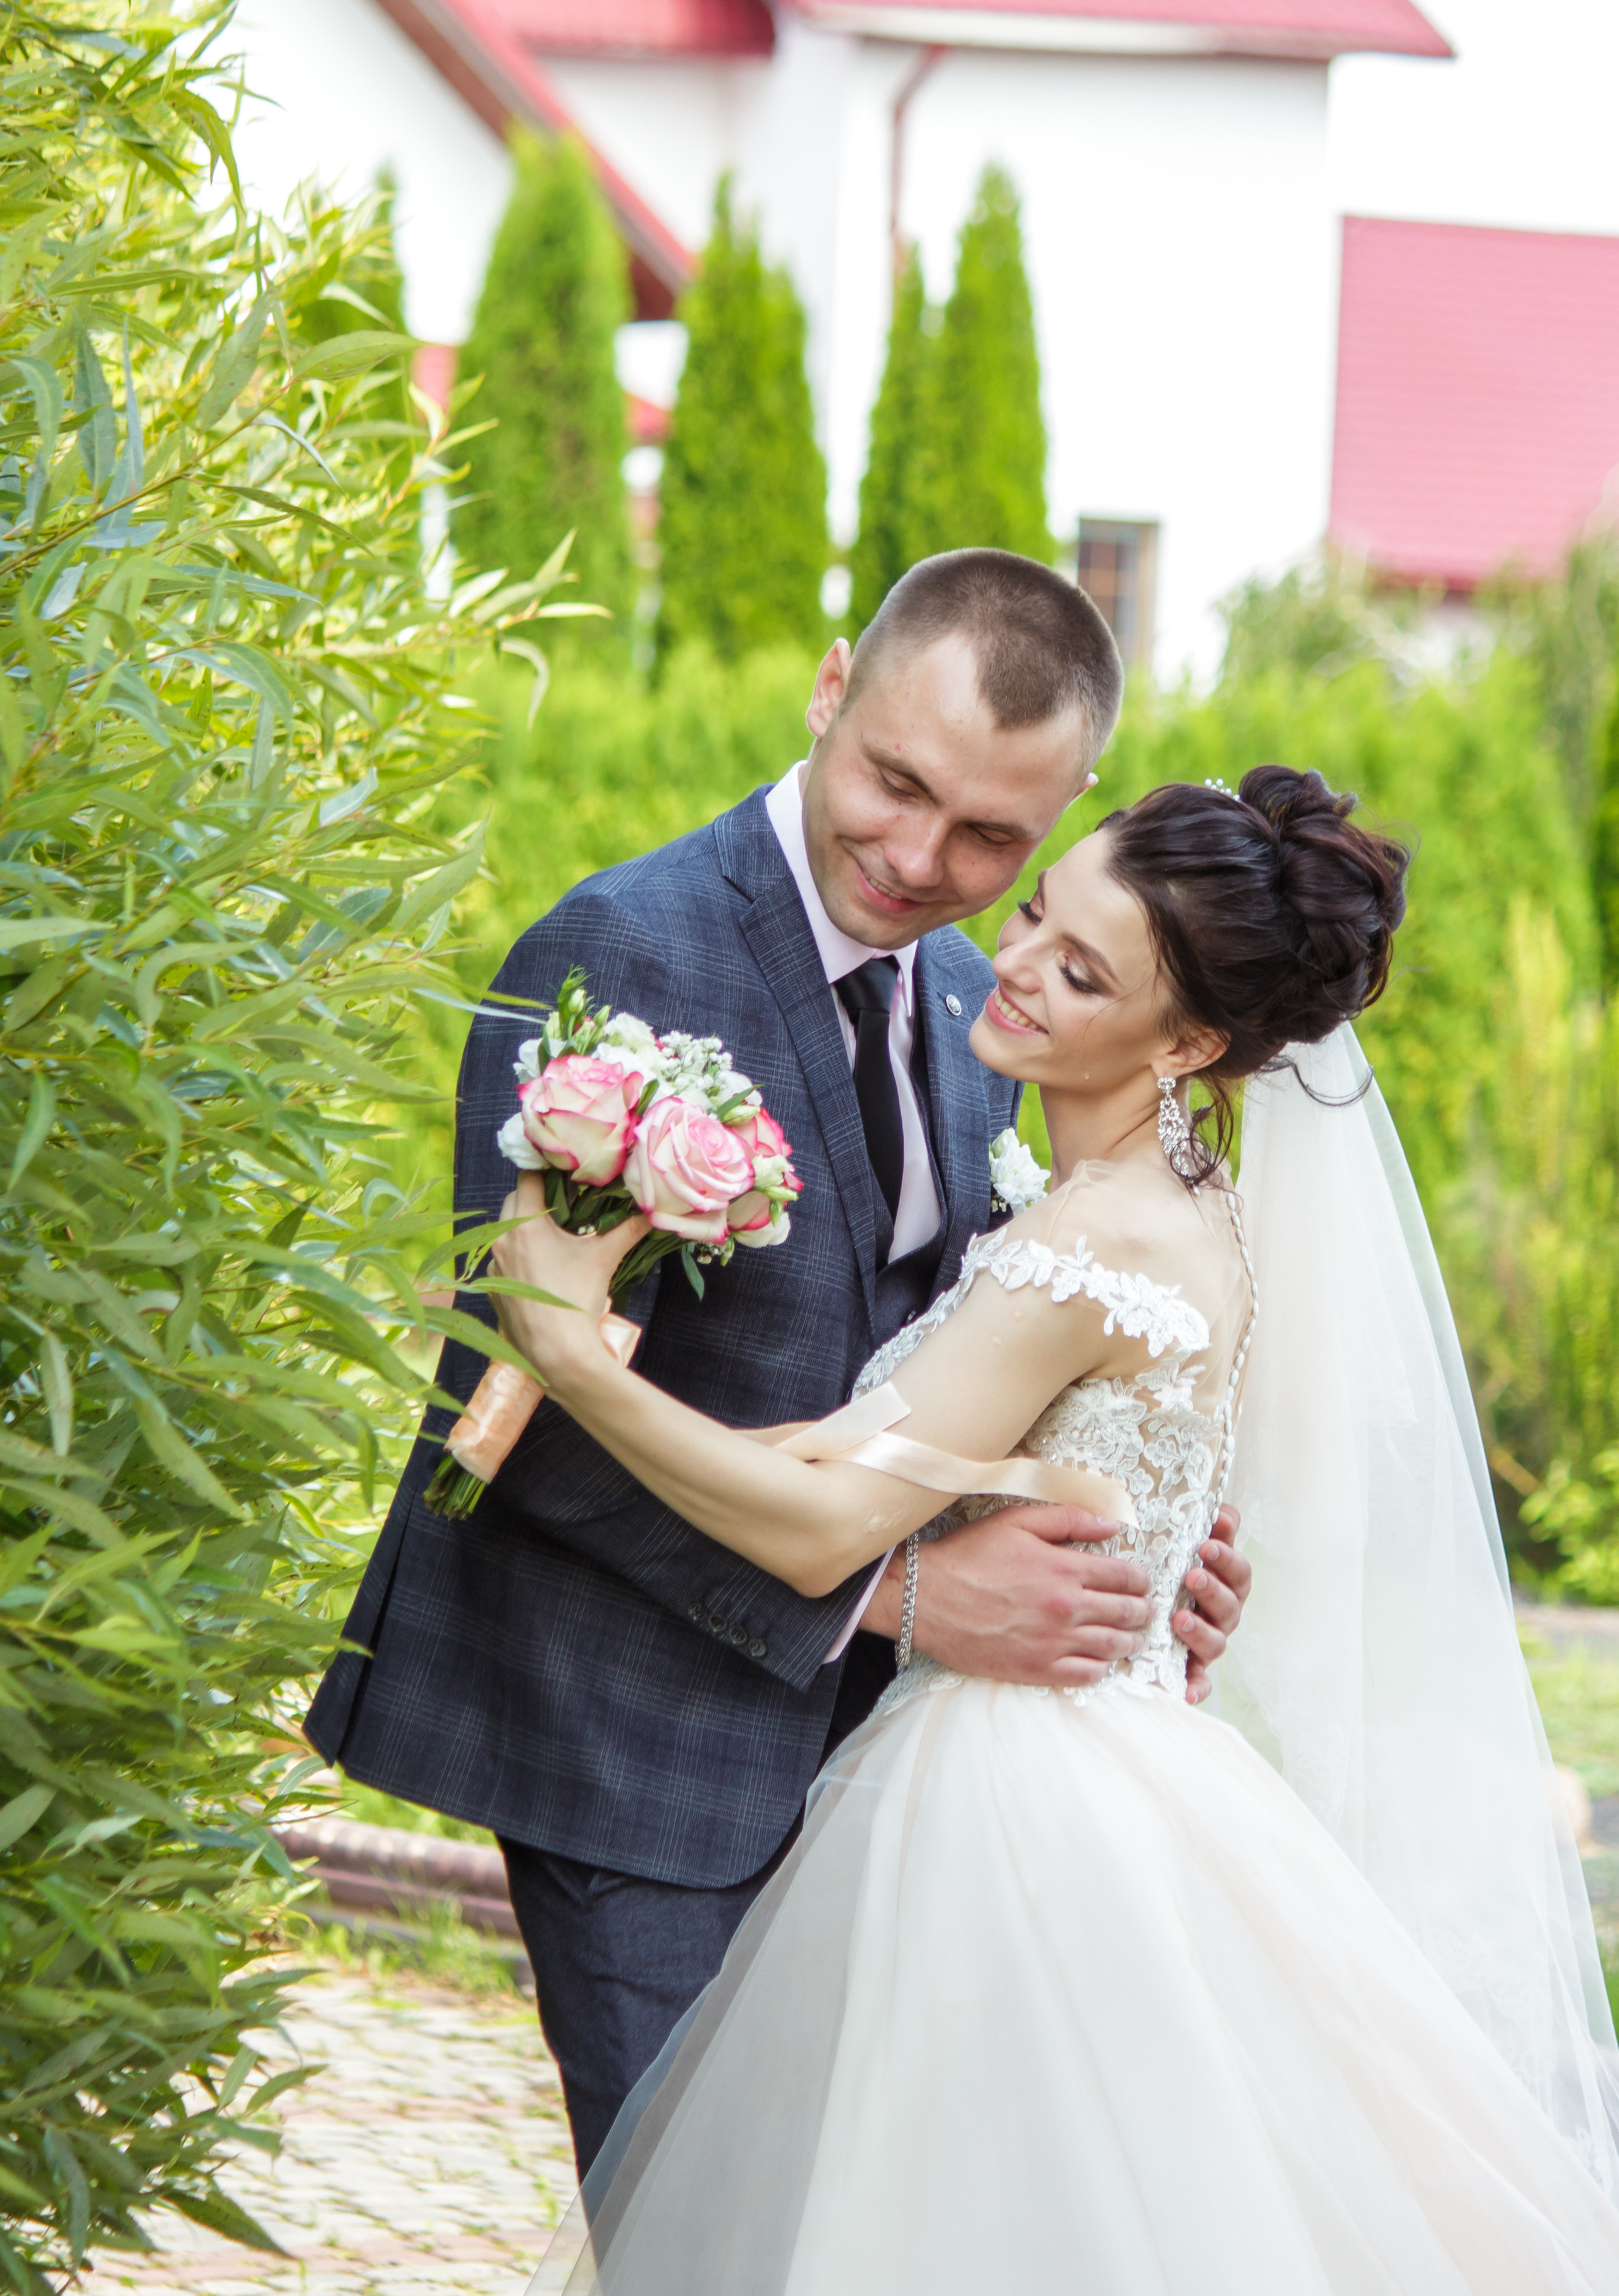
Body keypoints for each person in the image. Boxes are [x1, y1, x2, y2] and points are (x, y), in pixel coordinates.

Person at [492, 766, 1619, 2293]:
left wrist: (566, 1357)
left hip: (1012, 1797)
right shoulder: (1167, 1195)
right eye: (1035, 915)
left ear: (1191, 1041)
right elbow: (906, 1450)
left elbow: (829, 1524)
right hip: (1116, 1759)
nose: (1011, 963)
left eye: (1080, 969)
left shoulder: (1093, 1242)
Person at [302, 549, 1253, 2173]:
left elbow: (945, 1380)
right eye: (894, 782)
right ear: (829, 690)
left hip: (894, 1780)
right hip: (635, 1753)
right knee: (706, 2232)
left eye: (990, 839)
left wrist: (1124, 1532)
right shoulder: (625, 954)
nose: (918, 856)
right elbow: (510, 1412)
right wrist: (890, 1601)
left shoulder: (983, 1002)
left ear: (1061, 815)